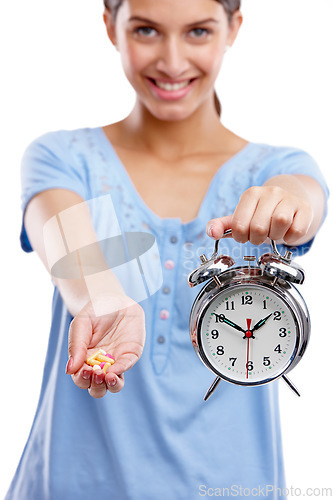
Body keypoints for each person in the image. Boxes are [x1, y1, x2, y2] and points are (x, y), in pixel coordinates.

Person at [6, 0, 329, 498]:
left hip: (233, 485)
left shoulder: (278, 168)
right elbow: (58, 225)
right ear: (111, 27)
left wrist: (286, 199)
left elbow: (305, 198)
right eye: (147, 30)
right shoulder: (61, 157)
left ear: (233, 28)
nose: (173, 61)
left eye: (198, 31)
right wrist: (101, 297)